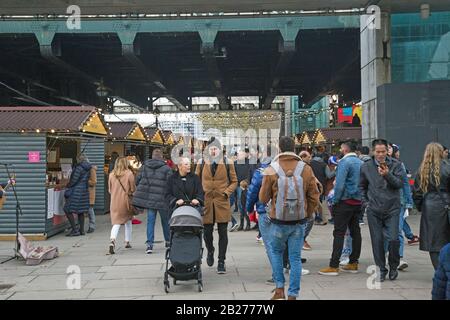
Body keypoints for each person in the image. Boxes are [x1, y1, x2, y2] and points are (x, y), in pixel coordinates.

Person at [260, 136, 320, 300]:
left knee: (276, 252)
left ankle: (279, 288)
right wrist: (306, 214)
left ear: (279, 148)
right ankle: (293, 294)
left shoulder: (272, 168)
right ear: (294, 148)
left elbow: (263, 198)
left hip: (278, 221)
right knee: (295, 258)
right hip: (298, 222)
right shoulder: (305, 168)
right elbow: (314, 196)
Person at [360, 139, 404, 282]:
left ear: (387, 151)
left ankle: (393, 266)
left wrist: (387, 174)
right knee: (377, 241)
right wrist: (366, 203)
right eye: (378, 152)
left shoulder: (396, 165)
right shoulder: (366, 167)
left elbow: (399, 184)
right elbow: (361, 186)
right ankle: (381, 269)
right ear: (373, 151)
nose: (380, 155)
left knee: (393, 239)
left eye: (383, 151)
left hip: (392, 208)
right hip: (374, 209)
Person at [319, 142, 363, 276]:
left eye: (341, 148)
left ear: (344, 149)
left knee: (339, 233)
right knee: (355, 231)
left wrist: (335, 200)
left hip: (344, 201)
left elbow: (339, 184)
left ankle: (334, 265)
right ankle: (353, 262)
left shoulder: (344, 162)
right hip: (357, 201)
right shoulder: (361, 163)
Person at [195, 137, 238, 274]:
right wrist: (198, 196)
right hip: (206, 203)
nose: (213, 151)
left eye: (216, 148)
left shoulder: (227, 162)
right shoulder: (201, 162)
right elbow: (196, 181)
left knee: (223, 233)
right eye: (211, 148)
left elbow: (234, 181)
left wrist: (226, 193)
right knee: (207, 233)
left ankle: (221, 261)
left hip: (222, 202)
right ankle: (210, 250)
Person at [413, 142, 450, 270]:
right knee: (446, 238)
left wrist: (421, 207)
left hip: (429, 207)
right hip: (446, 205)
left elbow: (417, 193)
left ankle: (439, 269)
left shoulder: (422, 170)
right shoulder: (447, 167)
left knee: (433, 241)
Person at [133, 148, 172, 254]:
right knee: (165, 221)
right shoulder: (166, 168)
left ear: (152, 156)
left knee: (150, 222)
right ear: (161, 157)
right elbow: (170, 184)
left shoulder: (144, 167)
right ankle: (168, 241)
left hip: (150, 200)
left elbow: (137, 180)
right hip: (162, 200)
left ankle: (149, 244)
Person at [388, 144, 416, 270]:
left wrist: (408, 202)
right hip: (380, 203)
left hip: (398, 202)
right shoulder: (373, 165)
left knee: (398, 230)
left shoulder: (399, 165)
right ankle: (386, 255)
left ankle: (397, 258)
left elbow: (405, 184)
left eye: (388, 148)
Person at [108, 157, 135, 254]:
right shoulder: (129, 174)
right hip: (125, 202)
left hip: (114, 202)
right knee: (128, 220)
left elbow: (110, 190)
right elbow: (132, 189)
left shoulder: (111, 175)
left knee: (116, 223)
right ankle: (127, 241)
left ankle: (112, 240)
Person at [64, 154, 92, 236]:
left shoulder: (79, 168)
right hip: (84, 191)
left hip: (76, 191)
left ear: (79, 159)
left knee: (67, 209)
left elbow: (74, 180)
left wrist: (68, 185)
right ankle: (82, 230)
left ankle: (74, 230)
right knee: (81, 211)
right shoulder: (87, 168)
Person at [234, 150, 251, 231]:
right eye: (238, 154)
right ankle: (241, 223)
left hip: (247, 186)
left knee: (246, 205)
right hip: (238, 187)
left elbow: (250, 174)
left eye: (241, 154)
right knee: (240, 205)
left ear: (245, 156)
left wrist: (246, 182)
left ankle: (248, 223)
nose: (239, 156)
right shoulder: (235, 163)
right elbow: (234, 175)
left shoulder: (249, 163)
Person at [87, 164, 97, 233]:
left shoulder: (92, 170)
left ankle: (92, 226)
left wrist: (85, 181)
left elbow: (94, 182)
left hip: (90, 192)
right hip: (84, 192)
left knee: (90, 209)